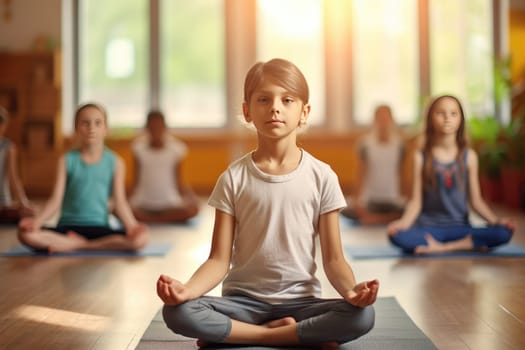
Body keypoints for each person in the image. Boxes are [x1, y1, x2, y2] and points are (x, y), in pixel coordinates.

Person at [157, 58, 378, 349]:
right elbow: (218, 260)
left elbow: (334, 259)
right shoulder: (233, 178)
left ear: (304, 112)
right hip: (242, 304)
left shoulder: (322, 177)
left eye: (287, 100)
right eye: (264, 99)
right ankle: (286, 335)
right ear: (247, 111)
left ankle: (245, 335)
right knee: (178, 312)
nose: (275, 107)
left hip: (302, 304)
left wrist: (351, 292)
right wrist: (186, 291)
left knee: (363, 316)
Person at [387, 95, 514, 254]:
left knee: (503, 233)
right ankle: (468, 245)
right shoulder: (420, 156)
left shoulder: (470, 157)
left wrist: (496, 221)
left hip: (461, 229)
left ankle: (441, 248)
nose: (448, 118)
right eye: (441, 113)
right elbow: (415, 202)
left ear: (461, 119)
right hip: (429, 230)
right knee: (397, 236)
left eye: (454, 113)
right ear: (430, 119)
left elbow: (476, 201)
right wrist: (403, 224)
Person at [18, 103, 148, 253]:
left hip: (100, 229)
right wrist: (37, 222)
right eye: (85, 123)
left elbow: (120, 202)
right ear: (76, 129)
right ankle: (84, 245)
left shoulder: (116, 162)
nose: (91, 128)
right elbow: (55, 200)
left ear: (106, 129)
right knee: (25, 235)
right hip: (68, 228)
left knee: (141, 239)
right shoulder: (66, 160)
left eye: (97, 123)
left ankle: (79, 245)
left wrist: (132, 226)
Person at [130, 110, 199, 223]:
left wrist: (191, 197)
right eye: (152, 127)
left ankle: (151, 220)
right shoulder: (138, 149)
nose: (156, 130)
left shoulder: (176, 149)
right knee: (120, 210)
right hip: (144, 203)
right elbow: (135, 181)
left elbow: (179, 180)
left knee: (193, 209)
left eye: (159, 126)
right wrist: (125, 201)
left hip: (170, 203)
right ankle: (161, 219)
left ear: (165, 127)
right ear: (147, 128)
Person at [341, 104, 405, 225]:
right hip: (370, 200)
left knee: (411, 210)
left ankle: (372, 219)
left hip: (392, 200)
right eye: (380, 118)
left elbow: (401, 173)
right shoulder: (365, 144)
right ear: (374, 120)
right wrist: (356, 201)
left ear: (392, 120)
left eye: (386, 118)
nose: (383, 122)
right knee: (345, 210)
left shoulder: (399, 144)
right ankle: (383, 218)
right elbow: (360, 174)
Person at [0, 105, 34, 223]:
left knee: (27, 213)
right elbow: (13, 177)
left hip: (3, 202)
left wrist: (23, 202)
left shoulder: (8, 147)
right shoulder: (9, 147)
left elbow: (13, 177)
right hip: (3, 204)